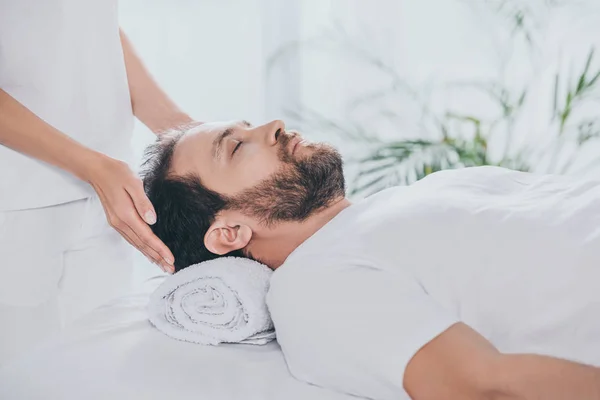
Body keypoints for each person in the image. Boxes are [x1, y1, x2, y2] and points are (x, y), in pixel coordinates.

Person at [142, 120, 600, 400]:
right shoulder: (313, 286)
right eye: (238, 146)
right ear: (229, 232)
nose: (273, 125)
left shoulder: (418, 194)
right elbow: (487, 387)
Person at [0, 0, 195, 365]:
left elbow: (92, 25)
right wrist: (91, 165)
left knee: (100, 369)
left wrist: (183, 132)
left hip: (105, 195)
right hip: (16, 199)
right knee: (21, 376)